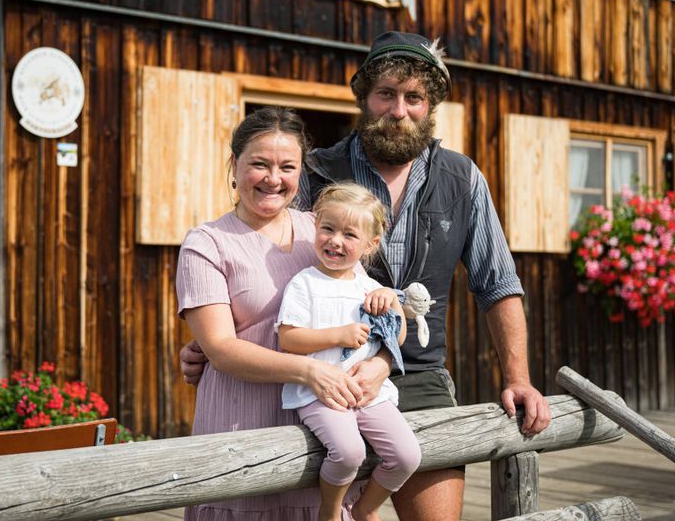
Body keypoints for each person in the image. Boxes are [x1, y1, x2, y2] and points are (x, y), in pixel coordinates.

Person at [182, 31, 553, 520]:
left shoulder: (462, 179)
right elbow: (262, 253)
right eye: (386, 94)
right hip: (325, 381)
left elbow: (497, 284)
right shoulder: (316, 172)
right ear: (364, 97)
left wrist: (519, 378)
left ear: (431, 105)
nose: (398, 110)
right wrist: (212, 340)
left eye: (414, 97)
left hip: (417, 378)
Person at [175, 106, 388, 520]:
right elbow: (219, 348)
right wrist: (309, 371)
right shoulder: (207, 243)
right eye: (260, 164)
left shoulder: (324, 231)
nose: (274, 178)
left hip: (325, 437)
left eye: (287, 166)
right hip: (241, 435)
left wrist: (380, 365)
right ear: (234, 165)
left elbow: (372, 313)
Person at [277, 183, 422, 521]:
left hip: (369, 395)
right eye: (327, 228)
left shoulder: (371, 288)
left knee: (406, 455)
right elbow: (289, 339)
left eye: (349, 235)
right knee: (348, 452)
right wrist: (337, 335)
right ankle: (329, 511)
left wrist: (393, 308)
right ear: (316, 227)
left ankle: (365, 508)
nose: (335, 240)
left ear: (371, 244)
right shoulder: (305, 283)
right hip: (321, 395)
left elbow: (396, 337)